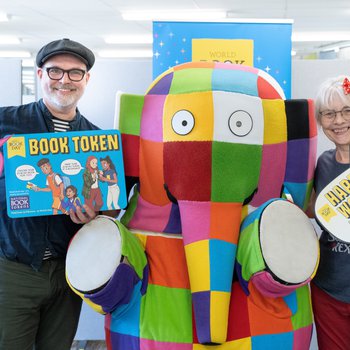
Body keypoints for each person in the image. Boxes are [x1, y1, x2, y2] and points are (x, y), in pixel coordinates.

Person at [0, 38, 100, 350]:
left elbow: (109, 205)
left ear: (86, 79)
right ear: (41, 75)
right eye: (56, 71)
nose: (65, 81)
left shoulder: (97, 141)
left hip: (69, 272)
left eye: (75, 73)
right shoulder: (5, 123)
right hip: (13, 268)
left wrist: (95, 215)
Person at [310, 75, 350, 350]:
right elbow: (312, 210)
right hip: (328, 290)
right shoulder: (322, 164)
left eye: (347, 111)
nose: (339, 121)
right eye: (329, 113)